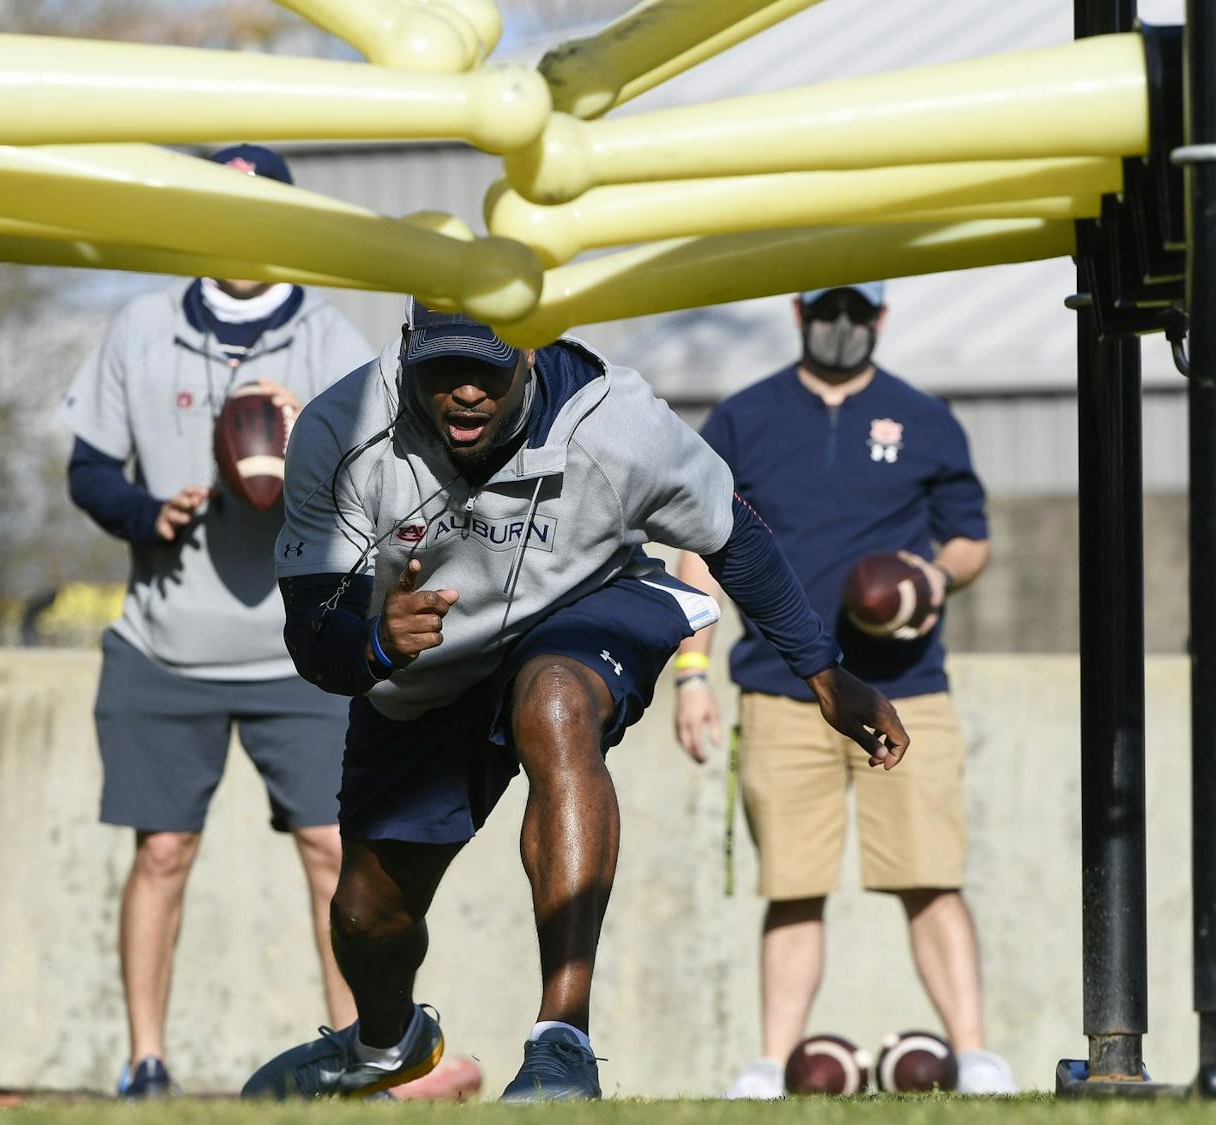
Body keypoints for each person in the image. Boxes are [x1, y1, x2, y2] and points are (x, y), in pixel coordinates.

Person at [239, 298, 909, 1102]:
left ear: (530, 349)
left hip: (585, 604)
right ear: (408, 347)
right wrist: (377, 643)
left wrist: (825, 671)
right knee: (366, 914)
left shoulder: (615, 421)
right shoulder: (340, 428)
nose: (466, 392)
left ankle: (562, 1041)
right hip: (425, 662)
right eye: (444, 368)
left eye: (487, 367)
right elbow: (315, 635)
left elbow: (731, 535)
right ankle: (383, 1043)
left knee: (553, 702)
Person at [62, 145, 480, 1101]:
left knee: (334, 848)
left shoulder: (330, 340)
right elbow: (87, 468)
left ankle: (364, 1056)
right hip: (167, 640)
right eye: (224, 210)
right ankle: (145, 1061)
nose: (241, 233)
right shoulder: (142, 327)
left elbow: (390, 480)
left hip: (302, 646)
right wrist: (147, 513)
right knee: (162, 850)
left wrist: (308, 450)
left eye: (261, 215)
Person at [670, 283, 1012, 1098]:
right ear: (799, 313)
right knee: (793, 884)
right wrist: (692, 672)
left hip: (905, 688)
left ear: (880, 320)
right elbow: (700, 549)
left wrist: (933, 575)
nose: (842, 325)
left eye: (858, 312)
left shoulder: (924, 417)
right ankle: (771, 1062)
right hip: (781, 689)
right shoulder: (745, 417)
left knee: (930, 875)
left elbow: (970, 540)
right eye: (827, 310)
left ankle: (974, 1056)